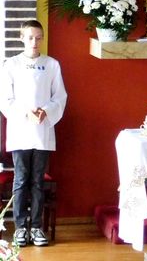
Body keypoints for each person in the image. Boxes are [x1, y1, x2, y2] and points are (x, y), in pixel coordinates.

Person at [0, 19, 68, 248]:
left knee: (37, 180)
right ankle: (20, 227)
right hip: (20, 130)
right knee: (21, 180)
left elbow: (60, 96)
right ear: (22, 38)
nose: (34, 42)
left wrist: (45, 111)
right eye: (30, 38)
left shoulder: (51, 65)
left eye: (38, 38)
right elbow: (5, 99)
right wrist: (25, 113)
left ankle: (36, 227)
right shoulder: (11, 65)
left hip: (42, 131)